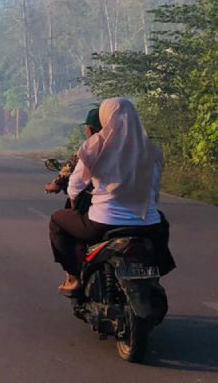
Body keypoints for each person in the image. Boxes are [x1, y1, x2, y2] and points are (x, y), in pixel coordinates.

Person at [48, 97, 174, 295]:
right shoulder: (149, 148)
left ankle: (73, 277)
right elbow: (155, 187)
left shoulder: (95, 145)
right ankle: (155, 269)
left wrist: (73, 203)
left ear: (105, 118)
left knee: (57, 220)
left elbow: (74, 186)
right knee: (162, 222)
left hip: (103, 222)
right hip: (147, 224)